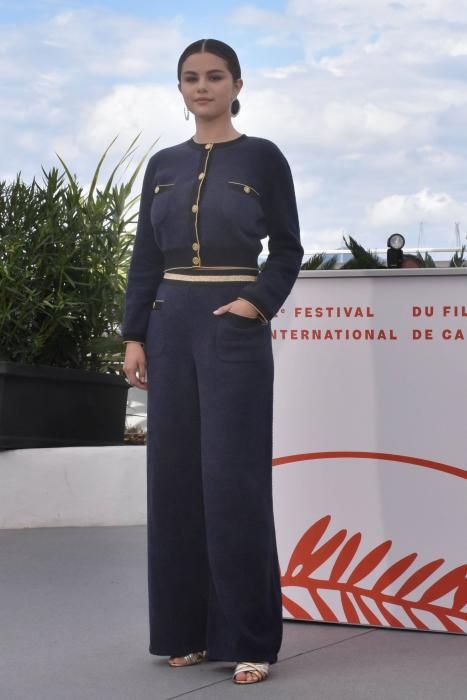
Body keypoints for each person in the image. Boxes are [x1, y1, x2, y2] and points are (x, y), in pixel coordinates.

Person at [122, 38, 303, 685]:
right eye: (190, 78)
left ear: (236, 83)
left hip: (233, 332)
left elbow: (286, 249)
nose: (202, 87)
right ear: (179, 89)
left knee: (234, 483)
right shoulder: (162, 165)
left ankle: (249, 637)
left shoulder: (263, 157)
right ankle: (188, 632)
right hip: (169, 329)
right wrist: (132, 333)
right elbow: (146, 255)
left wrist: (256, 303)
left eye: (214, 76)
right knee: (173, 484)